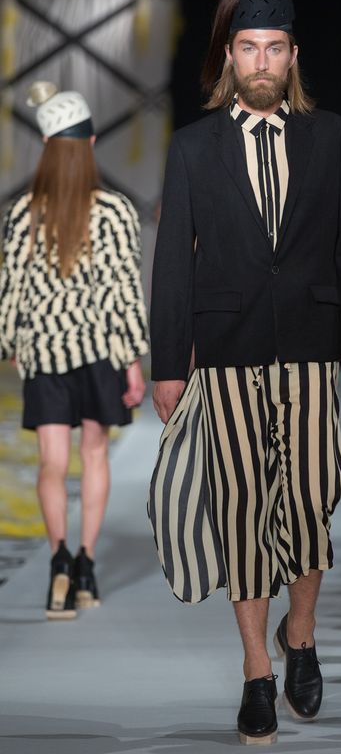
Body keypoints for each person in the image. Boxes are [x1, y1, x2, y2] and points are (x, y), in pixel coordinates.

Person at [150, 0, 341, 746]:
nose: (259, 60)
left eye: (273, 48)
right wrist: (167, 362)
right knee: (243, 510)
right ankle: (256, 671)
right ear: (229, 55)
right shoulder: (193, 147)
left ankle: (299, 634)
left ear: (292, 56)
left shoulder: (329, 136)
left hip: (312, 348)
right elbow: (172, 263)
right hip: (226, 352)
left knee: (312, 501)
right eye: (247, 47)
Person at [0, 81, 150, 620]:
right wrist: (133, 360)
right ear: (89, 144)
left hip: (46, 354)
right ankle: (86, 565)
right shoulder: (114, 211)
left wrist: (13, 343)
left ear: (46, 146)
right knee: (94, 455)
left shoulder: (23, 213)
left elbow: (11, 289)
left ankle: (58, 563)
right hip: (100, 353)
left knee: (51, 462)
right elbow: (122, 291)